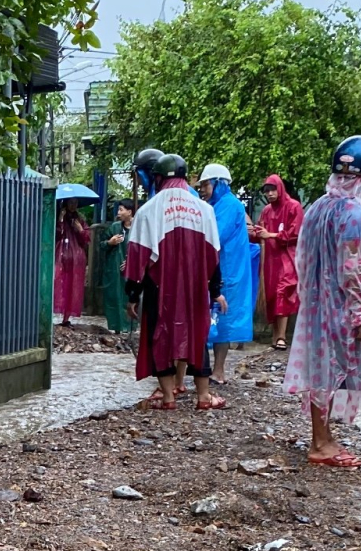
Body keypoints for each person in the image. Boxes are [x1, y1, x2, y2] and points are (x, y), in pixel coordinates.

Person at [285, 136, 361, 466]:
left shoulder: (317, 207)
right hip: (339, 306)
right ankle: (320, 442)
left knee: (320, 369)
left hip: (315, 304)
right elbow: (353, 267)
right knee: (333, 371)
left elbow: (303, 258)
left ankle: (323, 436)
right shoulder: (354, 214)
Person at [124, 153, 227, 411]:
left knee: (160, 337)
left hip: (159, 287)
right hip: (193, 288)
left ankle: (168, 398)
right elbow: (213, 255)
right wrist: (215, 290)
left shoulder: (148, 210)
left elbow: (138, 258)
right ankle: (203, 397)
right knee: (197, 335)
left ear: (157, 178)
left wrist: (132, 295)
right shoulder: (205, 209)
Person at [199, 163, 255, 385]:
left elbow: (215, 236)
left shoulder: (229, 205)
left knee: (222, 318)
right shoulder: (217, 205)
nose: (202, 189)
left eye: (205, 184)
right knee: (216, 318)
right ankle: (210, 368)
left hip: (228, 270)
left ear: (218, 183)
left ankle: (218, 370)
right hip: (221, 268)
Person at [250, 175, 302, 348]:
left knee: (283, 292)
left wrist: (271, 235)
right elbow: (260, 232)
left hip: (287, 258)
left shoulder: (294, 206)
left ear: (280, 188)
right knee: (271, 296)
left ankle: (281, 337)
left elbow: (296, 233)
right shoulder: (266, 210)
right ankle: (275, 338)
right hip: (270, 259)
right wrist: (254, 232)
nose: (270, 194)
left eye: (272, 190)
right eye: (267, 191)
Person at [100, 199, 135, 338]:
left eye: (121, 210)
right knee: (114, 297)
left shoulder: (138, 228)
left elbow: (143, 249)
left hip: (130, 272)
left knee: (129, 297)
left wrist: (131, 262)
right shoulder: (114, 227)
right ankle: (116, 328)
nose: (118, 212)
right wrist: (110, 242)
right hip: (113, 270)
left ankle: (129, 328)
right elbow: (101, 245)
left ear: (130, 211)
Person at [54, 199, 90, 326]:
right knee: (58, 283)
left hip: (76, 259)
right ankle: (55, 314)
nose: (73, 205)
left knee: (73, 286)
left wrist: (80, 229)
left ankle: (66, 317)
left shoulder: (80, 219)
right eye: (71, 203)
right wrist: (61, 220)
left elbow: (87, 238)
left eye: (75, 203)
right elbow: (56, 235)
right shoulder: (58, 216)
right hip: (60, 257)